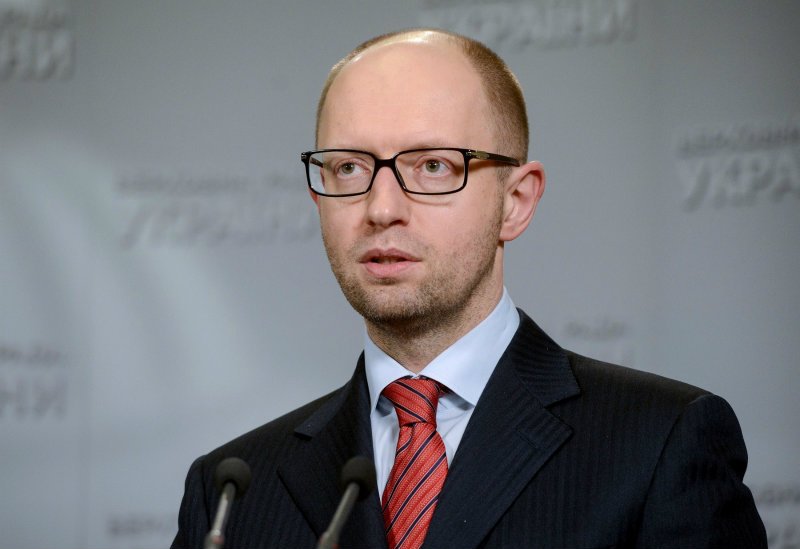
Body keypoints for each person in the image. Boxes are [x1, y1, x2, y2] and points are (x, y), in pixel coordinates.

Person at [171, 28, 767, 548]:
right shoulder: (230, 493)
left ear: (516, 201)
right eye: (349, 168)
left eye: (432, 166)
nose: (381, 208)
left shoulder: (661, 442)